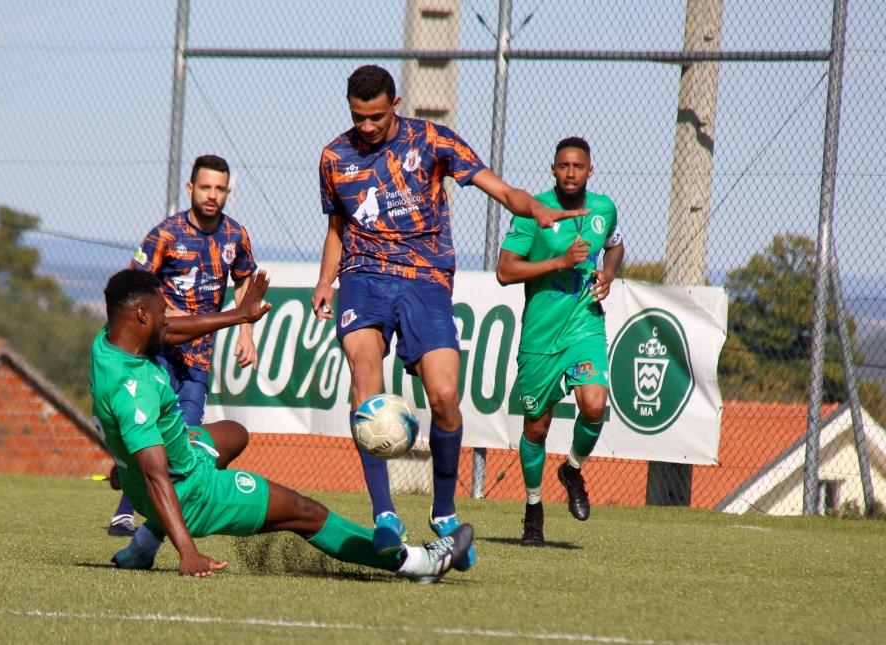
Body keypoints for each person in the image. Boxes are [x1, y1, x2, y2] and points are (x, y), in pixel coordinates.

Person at [310, 64, 587, 567]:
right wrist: (326, 281)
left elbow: (500, 190)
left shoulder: (433, 140)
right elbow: (337, 228)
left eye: (375, 117)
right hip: (363, 277)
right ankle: (385, 516)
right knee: (364, 380)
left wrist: (535, 210)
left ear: (395, 105)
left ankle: (442, 512)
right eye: (358, 117)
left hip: (426, 280)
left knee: (443, 396)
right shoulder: (335, 156)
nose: (367, 127)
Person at [94, 268, 473, 583]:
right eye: (162, 312)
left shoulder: (108, 345)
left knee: (233, 434)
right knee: (305, 512)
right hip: (189, 493)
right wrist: (188, 552)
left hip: (164, 466)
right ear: (142, 316)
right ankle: (417, 562)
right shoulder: (135, 390)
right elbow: (158, 475)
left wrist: (239, 316)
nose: (167, 319)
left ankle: (143, 545)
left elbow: (168, 335)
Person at [106, 154, 258, 537]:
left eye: (220, 188)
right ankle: (126, 511)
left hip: (198, 361)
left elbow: (243, 282)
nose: (212, 195)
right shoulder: (166, 235)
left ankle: (154, 522)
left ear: (228, 193)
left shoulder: (235, 236)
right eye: (205, 187)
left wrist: (246, 333)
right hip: (157, 356)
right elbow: (134, 285)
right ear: (190, 188)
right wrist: (164, 313)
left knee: (185, 440)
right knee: (149, 435)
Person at [496, 136, 625, 546]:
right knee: (536, 426)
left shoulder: (604, 208)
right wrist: (560, 262)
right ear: (553, 170)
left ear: (590, 170)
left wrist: (608, 273)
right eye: (564, 166)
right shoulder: (533, 212)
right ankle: (533, 511)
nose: (571, 172)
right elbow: (505, 271)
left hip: (584, 325)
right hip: (540, 335)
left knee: (595, 402)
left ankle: (571, 469)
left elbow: (615, 245)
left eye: (578, 166)